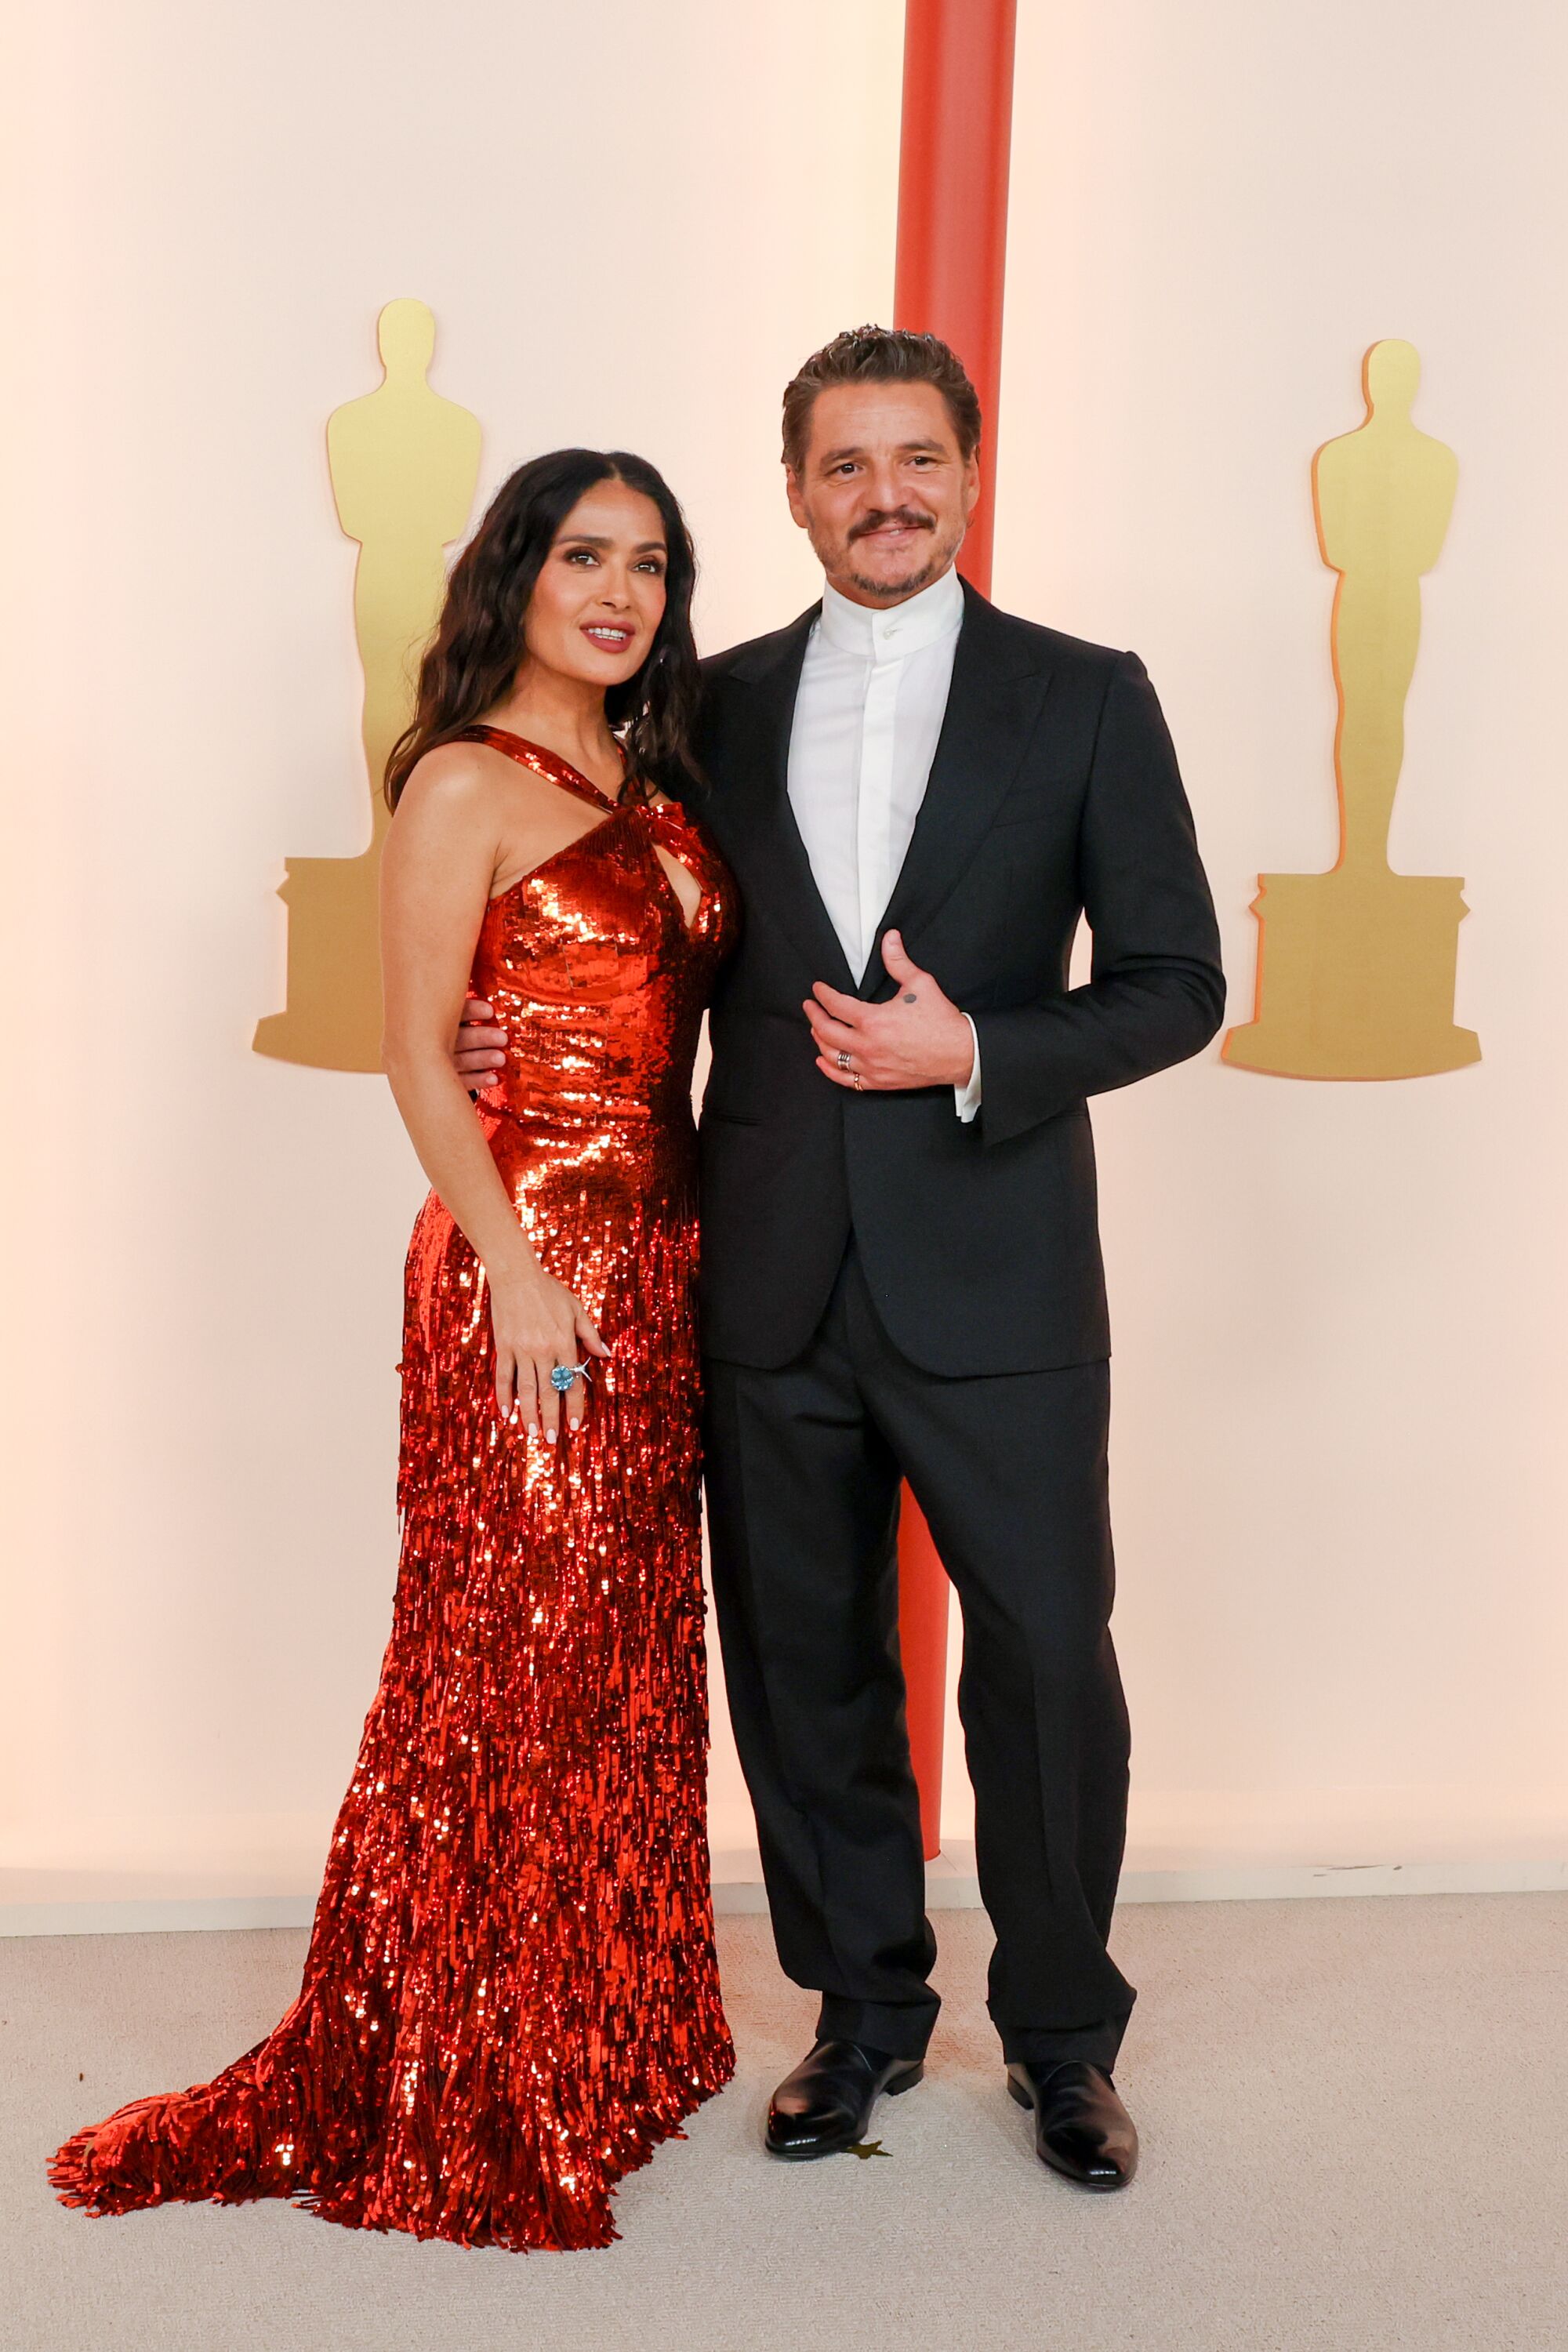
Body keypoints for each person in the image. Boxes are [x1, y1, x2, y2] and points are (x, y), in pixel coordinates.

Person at [456, 328, 1225, 2190]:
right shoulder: (698, 709)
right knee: (805, 1668)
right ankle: (863, 2017)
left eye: (918, 460)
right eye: (844, 464)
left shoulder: (1088, 696)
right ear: (795, 490)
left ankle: (1059, 2040)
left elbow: (1178, 984)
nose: (884, 493)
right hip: (767, 1272)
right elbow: (630, 935)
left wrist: (978, 1050)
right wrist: (509, 1031)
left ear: (970, 473)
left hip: (1005, 1280)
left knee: (1044, 1663)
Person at [51, 450, 739, 2250]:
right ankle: (464, 2062)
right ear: (511, 574)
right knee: (503, 1660)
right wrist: (515, 1267)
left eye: (651, 565)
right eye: (583, 554)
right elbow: (421, 1053)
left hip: (659, 1262)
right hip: (529, 1276)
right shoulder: (462, 783)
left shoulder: (653, 771)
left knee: (617, 1655)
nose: (620, 590)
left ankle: (599, 2025)